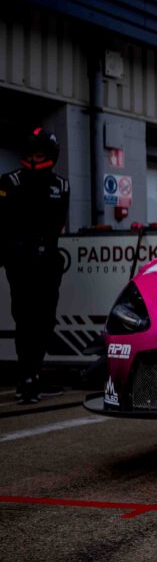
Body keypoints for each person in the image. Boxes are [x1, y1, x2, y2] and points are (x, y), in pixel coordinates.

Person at [0, 128, 70, 404]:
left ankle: (34, 374)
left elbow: (57, 225)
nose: (35, 159)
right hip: (20, 262)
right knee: (25, 318)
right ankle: (26, 377)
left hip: (48, 260)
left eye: (41, 154)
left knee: (44, 319)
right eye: (33, 153)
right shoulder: (9, 182)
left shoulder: (61, 186)